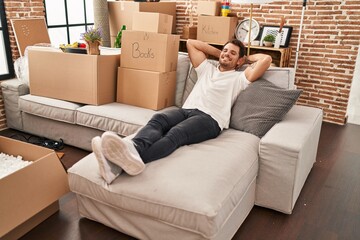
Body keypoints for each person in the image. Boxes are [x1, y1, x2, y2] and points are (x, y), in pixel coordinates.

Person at [92, 39, 272, 184]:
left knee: (176, 133)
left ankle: (128, 162)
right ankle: (133, 148)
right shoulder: (207, 68)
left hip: (210, 119)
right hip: (186, 110)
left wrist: (245, 59)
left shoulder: (240, 77)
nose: (227, 54)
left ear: (240, 61)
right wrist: (221, 54)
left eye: (233, 53)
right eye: (225, 50)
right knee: (159, 119)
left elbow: (266, 60)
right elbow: (191, 43)